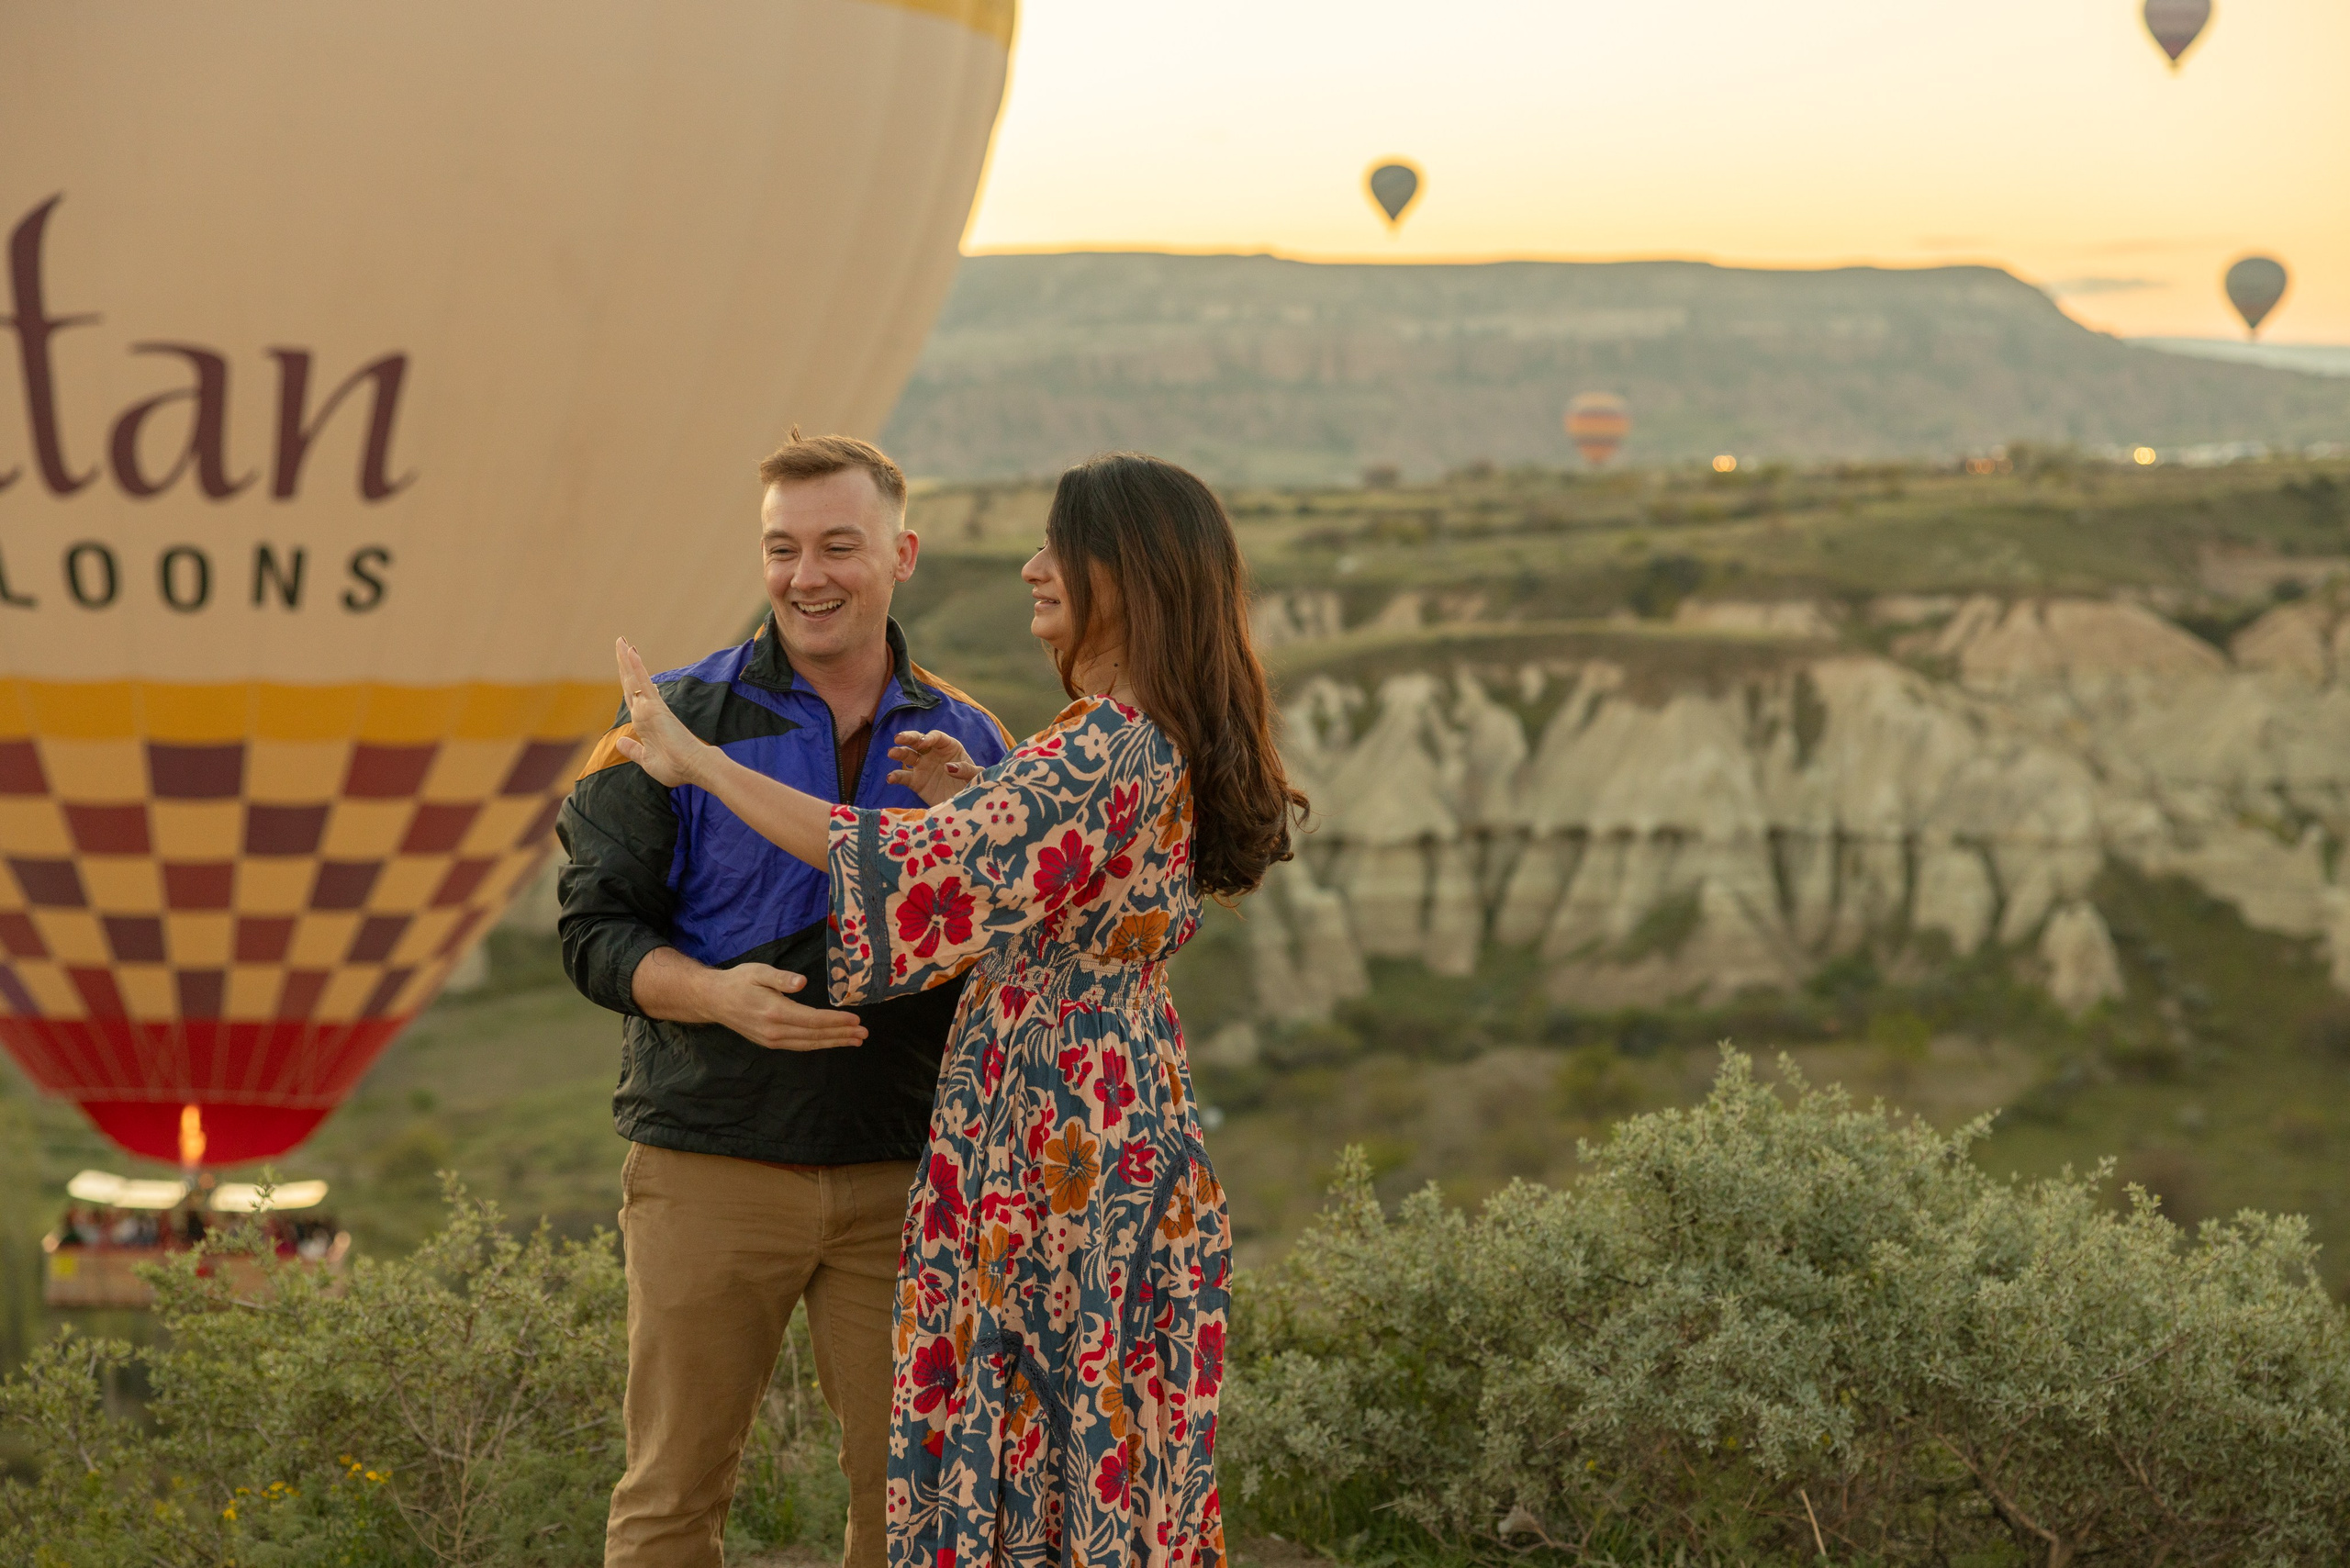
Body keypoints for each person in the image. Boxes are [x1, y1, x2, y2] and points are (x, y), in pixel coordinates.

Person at [610, 452, 1308, 1568]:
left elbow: (906, 872)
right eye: (783, 548)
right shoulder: (1146, 735)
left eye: (1058, 551)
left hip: (1054, 1147)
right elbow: (1050, 890)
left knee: (1029, 1440)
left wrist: (698, 765)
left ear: (1124, 576)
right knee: (1091, 1446)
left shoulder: (1099, 743)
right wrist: (982, 807)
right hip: (1121, 1128)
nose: (1032, 568)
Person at [558, 433, 1012, 1568]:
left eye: (838, 546)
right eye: (781, 547)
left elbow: (1014, 938)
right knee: (670, 1497)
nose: (807, 575)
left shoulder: (973, 737)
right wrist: (712, 994)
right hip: (713, 1162)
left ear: (901, 553)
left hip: (903, 1176)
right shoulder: (665, 723)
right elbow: (593, 934)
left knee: (914, 1505)